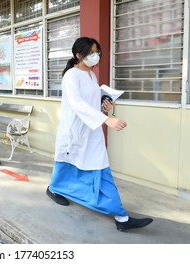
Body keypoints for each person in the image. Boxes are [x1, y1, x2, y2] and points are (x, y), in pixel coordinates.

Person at [46, 37, 153, 232]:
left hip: (91, 131)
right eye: (91, 52)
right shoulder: (71, 75)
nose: (96, 56)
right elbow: (77, 104)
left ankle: (121, 217)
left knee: (100, 166)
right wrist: (107, 120)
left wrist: (105, 107)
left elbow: (90, 104)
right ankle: (54, 189)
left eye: (97, 51)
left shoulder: (92, 76)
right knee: (67, 165)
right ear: (79, 55)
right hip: (74, 132)